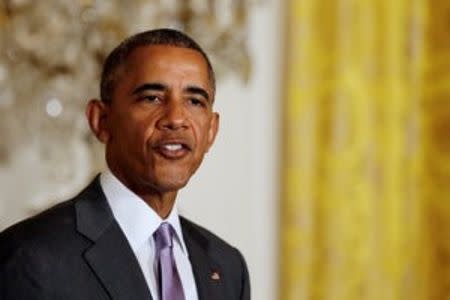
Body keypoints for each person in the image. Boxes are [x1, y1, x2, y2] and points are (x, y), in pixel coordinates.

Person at [0, 28, 250, 300]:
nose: (176, 118)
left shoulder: (227, 267)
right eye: (152, 98)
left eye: (194, 101)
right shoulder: (31, 257)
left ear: (211, 131)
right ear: (101, 121)